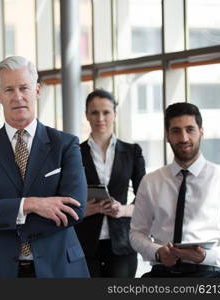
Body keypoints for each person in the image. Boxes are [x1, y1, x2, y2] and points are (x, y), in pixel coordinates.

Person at [0, 56, 89, 278]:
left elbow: (74, 209)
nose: (17, 97)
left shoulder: (65, 145)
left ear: (37, 90)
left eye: (24, 88)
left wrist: (4, 215)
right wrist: (29, 205)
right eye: (9, 89)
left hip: (59, 269)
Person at [130, 102, 220, 277]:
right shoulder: (151, 181)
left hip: (206, 271)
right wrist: (157, 252)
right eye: (176, 131)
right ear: (167, 136)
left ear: (201, 132)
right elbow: (136, 233)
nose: (184, 138)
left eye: (190, 129)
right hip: (162, 270)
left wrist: (208, 256)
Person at [74, 89, 146, 277]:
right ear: (86, 115)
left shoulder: (132, 152)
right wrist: (83, 210)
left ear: (115, 114)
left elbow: (145, 201)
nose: (100, 118)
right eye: (94, 112)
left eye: (106, 112)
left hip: (122, 243)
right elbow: (63, 197)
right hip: (85, 243)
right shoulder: (73, 153)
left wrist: (122, 209)